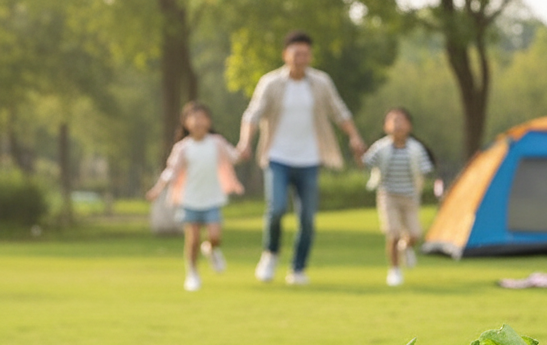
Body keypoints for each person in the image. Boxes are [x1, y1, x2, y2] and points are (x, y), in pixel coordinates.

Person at [236, 30, 366, 286]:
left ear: (310, 56)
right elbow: (252, 114)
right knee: (277, 209)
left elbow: (339, 111)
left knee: (307, 218)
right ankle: (270, 253)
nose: (300, 58)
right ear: (286, 54)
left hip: (309, 158)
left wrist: (354, 137)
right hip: (278, 156)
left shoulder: (320, 82)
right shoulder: (271, 83)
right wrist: (245, 142)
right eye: (296, 53)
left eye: (305, 53)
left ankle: (298, 268)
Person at [146, 102, 243, 292]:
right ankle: (192, 273)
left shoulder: (217, 143)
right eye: (194, 118)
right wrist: (158, 189)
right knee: (193, 239)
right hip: (190, 200)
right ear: (186, 122)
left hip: (212, 199)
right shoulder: (183, 148)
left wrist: (244, 148)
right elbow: (171, 171)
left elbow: (233, 156)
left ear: (209, 121)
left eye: (202, 117)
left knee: (215, 236)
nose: (199, 122)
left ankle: (211, 250)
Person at [363, 107, 435, 286]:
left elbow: (425, 170)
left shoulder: (416, 149)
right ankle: (394, 271)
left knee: (415, 234)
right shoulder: (381, 148)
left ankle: (406, 247)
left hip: (410, 196)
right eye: (393, 121)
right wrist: (358, 151)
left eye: (401, 121)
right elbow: (365, 162)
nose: (397, 125)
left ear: (409, 125)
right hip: (388, 195)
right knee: (393, 233)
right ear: (386, 126)